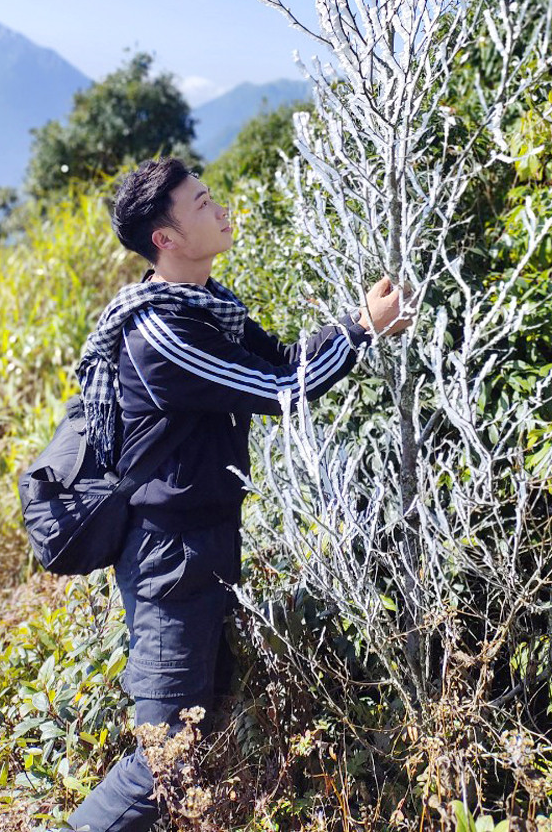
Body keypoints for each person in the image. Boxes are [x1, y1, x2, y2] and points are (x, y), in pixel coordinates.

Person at [62, 156, 408, 832]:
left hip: (204, 545)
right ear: (164, 238)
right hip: (170, 559)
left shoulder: (206, 306)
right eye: (201, 203)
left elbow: (281, 362)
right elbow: (282, 392)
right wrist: (360, 328)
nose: (220, 209)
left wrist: (359, 327)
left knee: (197, 734)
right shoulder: (160, 331)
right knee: (165, 761)